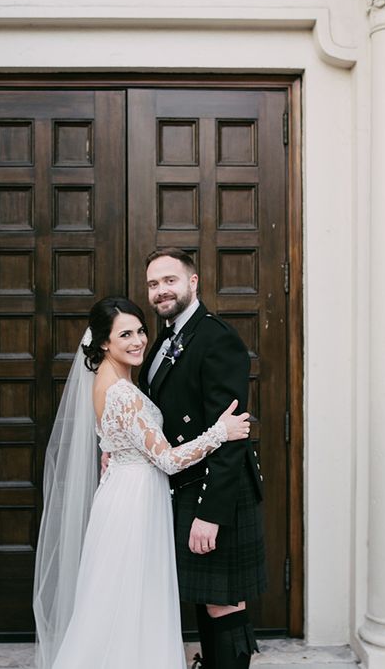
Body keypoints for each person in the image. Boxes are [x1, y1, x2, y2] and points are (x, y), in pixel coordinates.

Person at [33, 297, 251, 669]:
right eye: (125, 335)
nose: (138, 341)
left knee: (122, 598)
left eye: (140, 331)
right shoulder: (120, 392)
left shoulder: (113, 380)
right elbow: (166, 457)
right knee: (133, 597)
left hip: (127, 490)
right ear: (104, 342)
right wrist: (220, 432)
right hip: (134, 502)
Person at [139, 248, 267, 669]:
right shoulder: (165, 338)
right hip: (184, 484)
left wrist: (212, 513)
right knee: (202, 595)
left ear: (193, 283)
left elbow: (231, 436)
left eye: (170, 280)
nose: (161, 291)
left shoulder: (216, 338)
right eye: (154, 284)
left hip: (215, 491)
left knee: (223, 601)